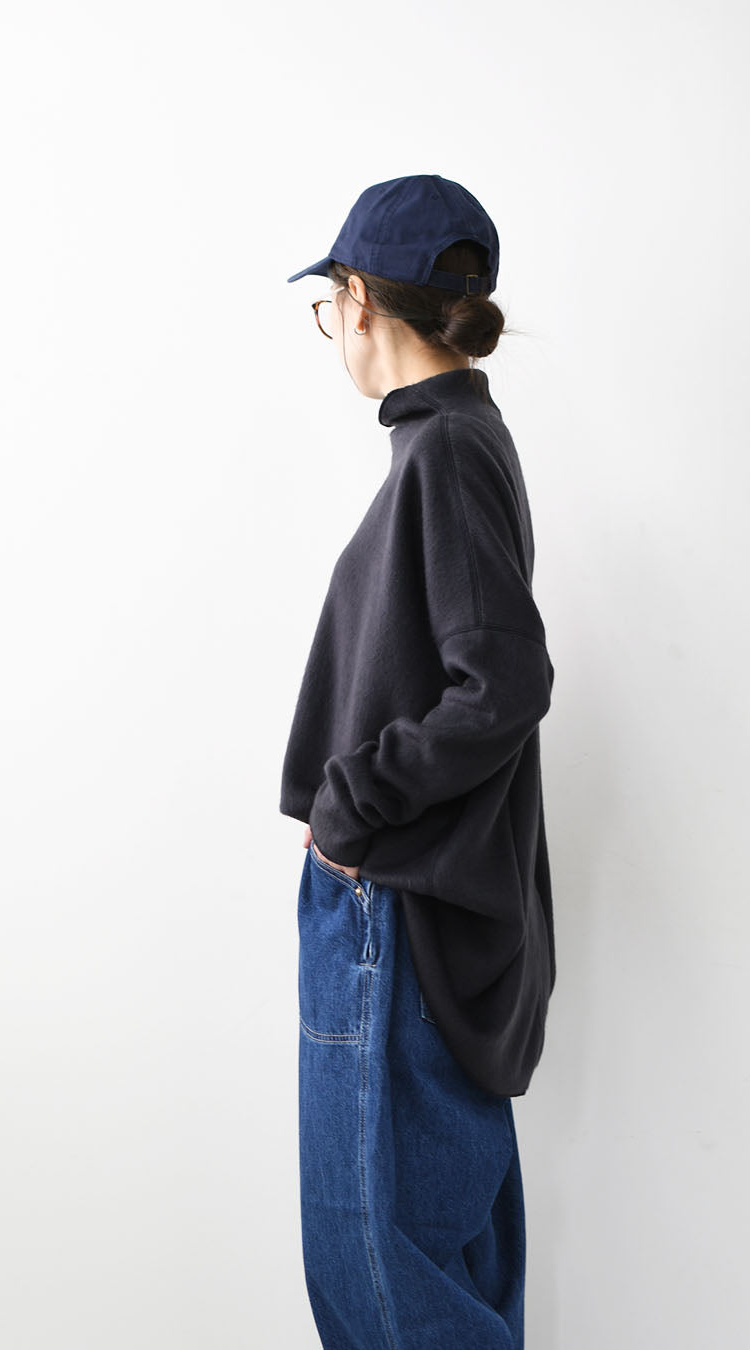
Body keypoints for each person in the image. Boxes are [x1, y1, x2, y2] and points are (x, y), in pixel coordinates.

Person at [279, 173, 556, 1350]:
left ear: (356, 298)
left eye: (328, 306)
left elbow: (503, 682)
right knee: (438, 1256)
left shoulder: (444, 452)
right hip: (422, 899)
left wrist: (352, 805)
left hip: (392, 903)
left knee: (379, 1268)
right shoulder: (456, 443)